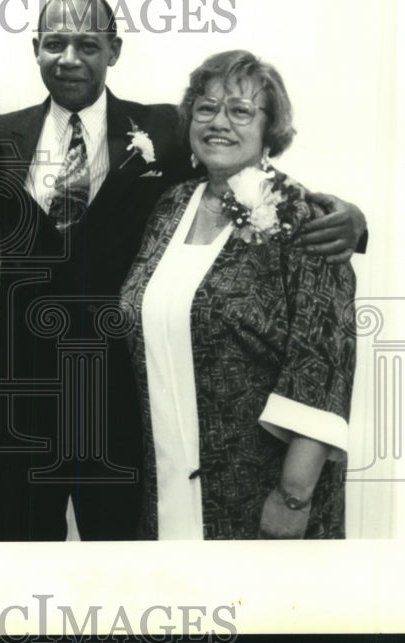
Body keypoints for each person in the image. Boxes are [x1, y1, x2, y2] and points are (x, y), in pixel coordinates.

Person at [0, 0, 366, 541]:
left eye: (88, 44)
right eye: (55, 43)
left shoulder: (163, 130)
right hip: (25, 403)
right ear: (35, 49)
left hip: (124, 410)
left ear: (113, 50)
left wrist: (350, 220)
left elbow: (248, 175)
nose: (70, 57)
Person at [120, 50, 357, 540]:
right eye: (205, 108)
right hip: (166, 487)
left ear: (271, 128)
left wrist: (293, 496)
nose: (218, 122)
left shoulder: (305, 220)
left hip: (264, 497)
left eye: (240, 110)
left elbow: (323, 367)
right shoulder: (170, 206)